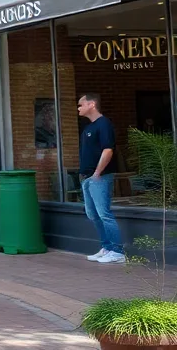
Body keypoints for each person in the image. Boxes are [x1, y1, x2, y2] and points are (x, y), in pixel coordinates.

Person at [78, 93, 124, 264]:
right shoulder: (88, 128)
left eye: (80, 105)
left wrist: (97, 173)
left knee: (104, 214)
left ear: (91, 105)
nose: (78, 108)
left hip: (99, 177)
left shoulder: (104, 124)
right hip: (87, 178)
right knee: (94, 215)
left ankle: (117, 251)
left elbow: (108, 150)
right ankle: (107, 247)